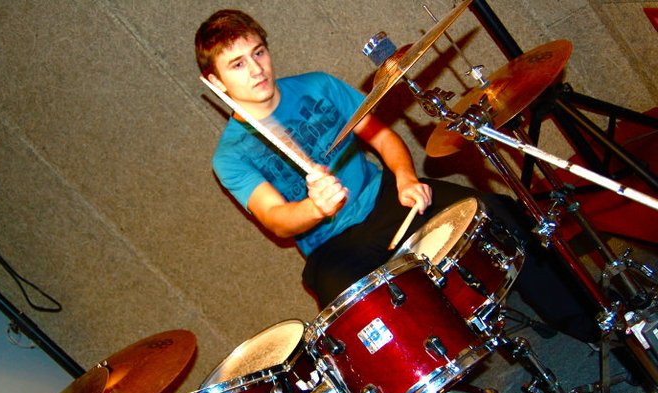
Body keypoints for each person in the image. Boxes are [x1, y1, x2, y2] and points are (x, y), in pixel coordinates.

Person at [194, 9, 600, 343]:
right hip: (332, 246)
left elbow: (384, 139)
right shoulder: (230, 156)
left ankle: (590, 324)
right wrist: (315, 208)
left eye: (259, 53)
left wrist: (405, 177)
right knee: (363, 322)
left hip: (385, 196)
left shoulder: (318, 86)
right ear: (215, 82)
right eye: (238, 64)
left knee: (494, 212)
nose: (257, 69)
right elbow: (277, 220)